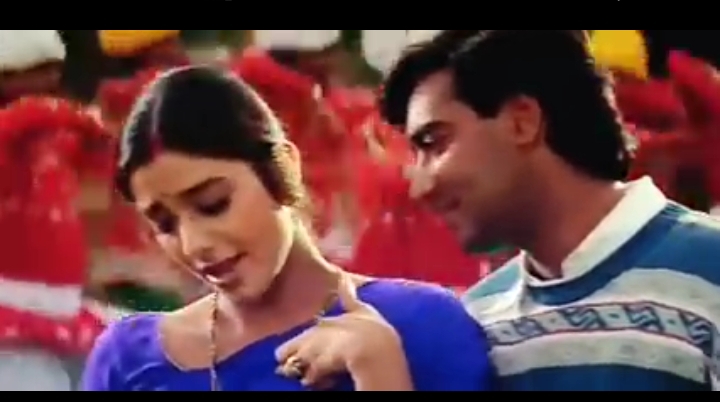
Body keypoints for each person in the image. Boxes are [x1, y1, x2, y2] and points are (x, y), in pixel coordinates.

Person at [81, 66, 494, 391]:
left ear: (283, 168)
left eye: (213, 204)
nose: (194, 244)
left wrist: (379, 372)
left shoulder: (420, 325)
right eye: (165, 224)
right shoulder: (128, 359)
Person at [380, 30, 720, 391]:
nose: (420, 188)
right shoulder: (479, 321)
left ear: (522, 122)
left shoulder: (710, 268)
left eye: (435, 144)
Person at [0, 30, 112, 390]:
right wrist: (60, 114)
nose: (52, 78)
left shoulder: (56, 137)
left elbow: (96, 194)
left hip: (64, 306)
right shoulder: (28, 126)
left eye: (53, 69)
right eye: (39, 70)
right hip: (11, 319)